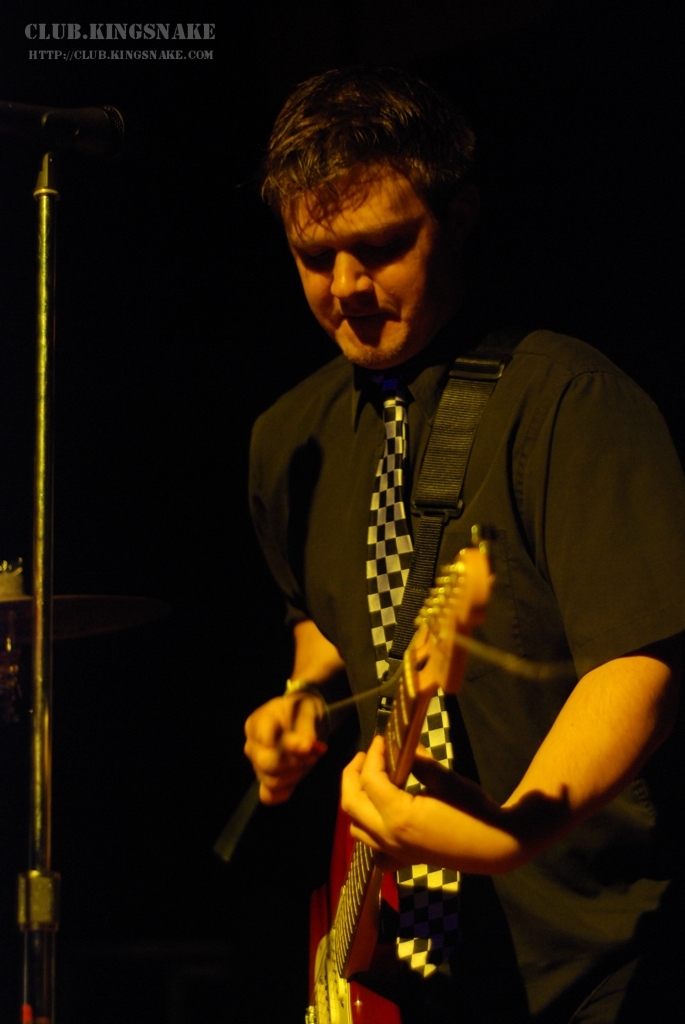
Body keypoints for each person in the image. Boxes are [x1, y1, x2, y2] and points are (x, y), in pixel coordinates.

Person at [243, 67, 685, 1022]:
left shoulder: (569, 400)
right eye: (314, 257)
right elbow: (321, 621)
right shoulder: (288, 438)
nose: (346, 288)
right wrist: (298, 702)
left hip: (586, 956)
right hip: (403, 962)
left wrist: (511, 831)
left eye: (381, 248)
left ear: (460, 216)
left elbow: (638, 661)